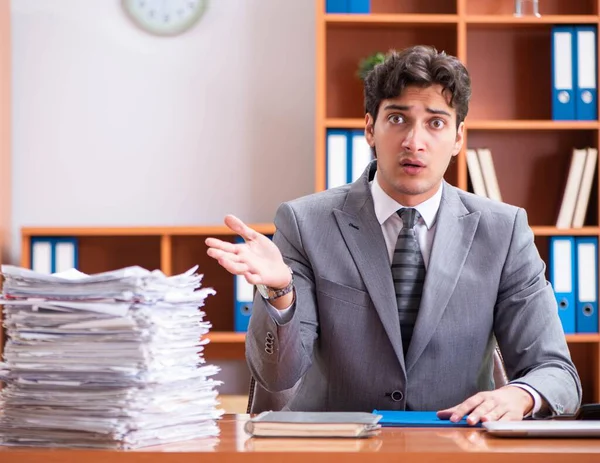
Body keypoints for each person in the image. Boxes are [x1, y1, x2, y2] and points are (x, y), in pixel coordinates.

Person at [205, 45, 581, 424]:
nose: (414, 141)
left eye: (435, 123)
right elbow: (277, 376)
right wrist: (280, 292)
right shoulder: (305, 222)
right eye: (398, 119)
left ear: (457, 138)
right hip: (337, 448)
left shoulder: (503, 231)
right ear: (370, 127)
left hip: (456, 445)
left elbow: (557, 373)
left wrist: (522, 395)